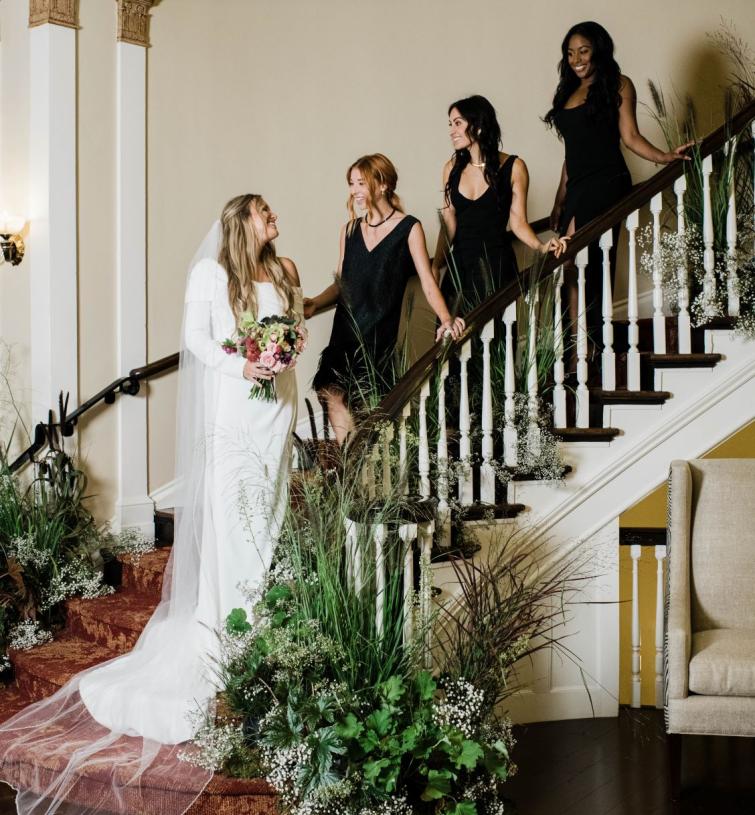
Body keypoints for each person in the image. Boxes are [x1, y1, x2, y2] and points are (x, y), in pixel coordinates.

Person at [0, 194, 303, 814]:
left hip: (277, 415)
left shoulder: (282, 270)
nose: (275, 216)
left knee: (268, 519)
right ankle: (233, 631)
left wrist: (282, 353)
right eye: (264, 211)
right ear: (242, 220)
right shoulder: (211, 273)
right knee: (237, 525)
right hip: (237, 414)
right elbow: (194, 339)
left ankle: (260, 625)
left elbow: (291, 331)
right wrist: (244, 363)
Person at [544, 20, 691, 351]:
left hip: (607, 180)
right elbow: (572, 154)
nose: (577, 59)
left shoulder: (618, 85)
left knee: (583, 259)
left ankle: (588, 346)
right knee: (569, 264)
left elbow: (631, 137)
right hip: (577, 185)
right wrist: (558, 200)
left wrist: (665, 157)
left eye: (583, 51)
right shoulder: (567, 91)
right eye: (570, 54)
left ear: (598, 49)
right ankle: (578, 346)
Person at [305, 153, 465, 445]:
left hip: (379, 334)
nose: (354, 190)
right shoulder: (349, 230)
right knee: (332, 393)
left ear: (383, 185)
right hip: (345, 331)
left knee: (370, 408)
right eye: (351, 183)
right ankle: (352, 468)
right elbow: (340, 284)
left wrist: (446, 319)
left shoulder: (409, 228)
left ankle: (370, 475)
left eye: (360, 183)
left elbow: (428, 281)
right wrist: (315, 303)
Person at [432, 95, 568, 313]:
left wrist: (541, 247)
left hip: (496, 265)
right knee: (455, 340)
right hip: (460, 269)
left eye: (457, 123)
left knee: (497, 341)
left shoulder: (514, 167)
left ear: (477, 126)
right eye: (450, 124)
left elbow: (518, 222)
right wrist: (437, 264)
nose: (452, 131)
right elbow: (448, 222)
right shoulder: (451, 168)